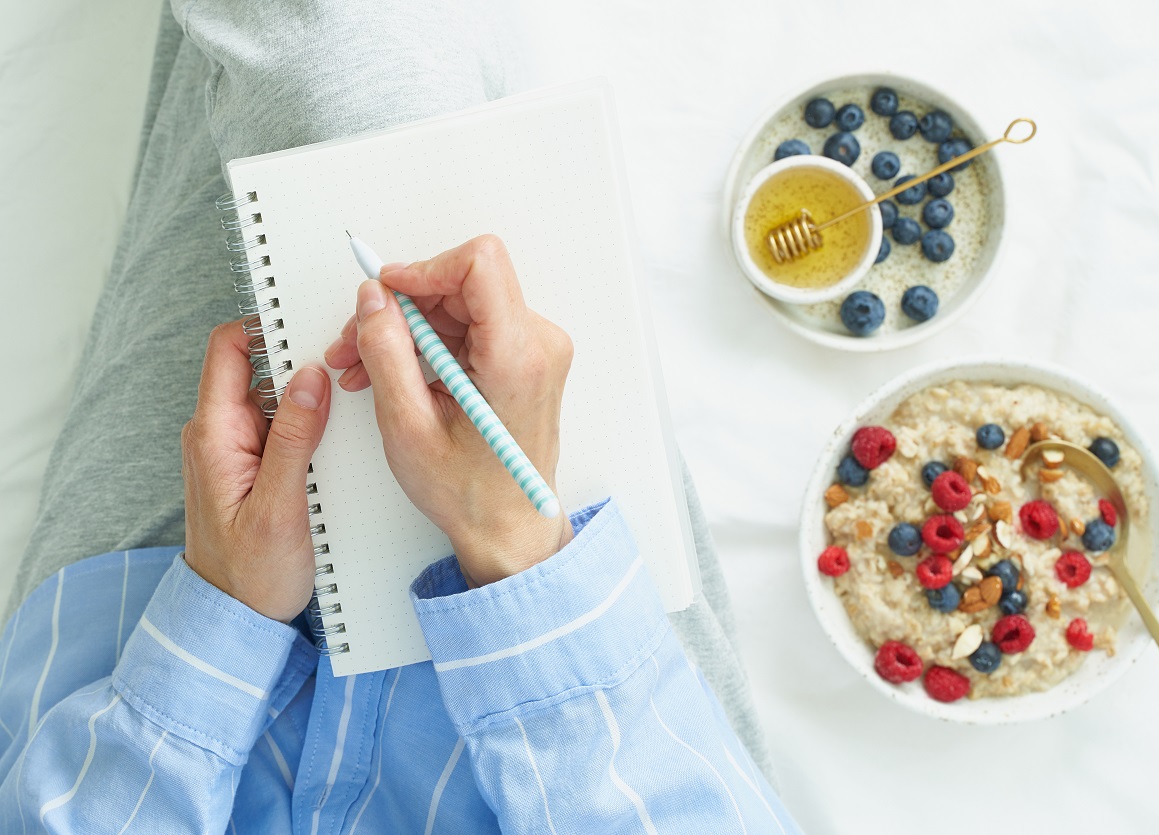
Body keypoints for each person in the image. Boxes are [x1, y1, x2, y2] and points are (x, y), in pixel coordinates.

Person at [0, 2, 801, 832]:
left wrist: (224, 610)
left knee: (309, 99)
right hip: (582, 701)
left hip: (136, 710)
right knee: (349, 101)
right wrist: (517, 548)